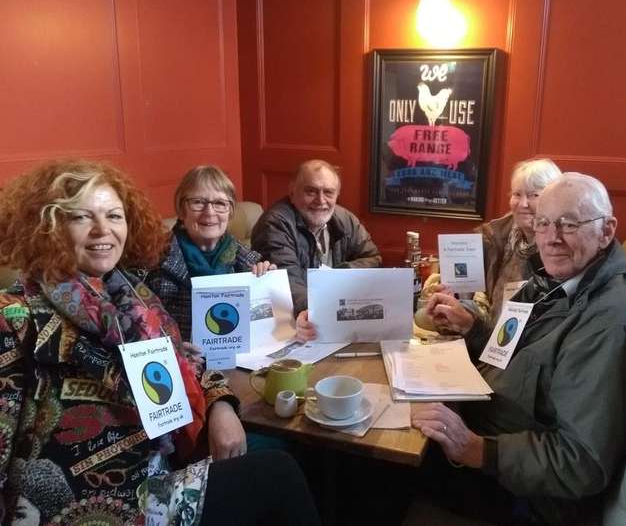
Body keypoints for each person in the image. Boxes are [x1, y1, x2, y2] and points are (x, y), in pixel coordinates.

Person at [0, 160, 319, 525]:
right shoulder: (15, 317)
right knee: (277, 472)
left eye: (114, 216)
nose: (103, 229)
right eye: (81, 217)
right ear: (48, 227)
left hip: (152, 475)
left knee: (283, 466)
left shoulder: (132, 298)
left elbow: (180, 356)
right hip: (83, 504)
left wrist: (220, 406)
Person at [412, 173, 626, 525]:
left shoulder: (609, 321)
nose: (552, 238)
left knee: (370, 467)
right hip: (477, 424)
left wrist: (474, 448)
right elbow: (509, 354)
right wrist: (474, 330)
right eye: (543, 223)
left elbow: (582, 462)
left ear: (607, 230)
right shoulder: (552, 280)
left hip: (519, 494)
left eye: (569, 224)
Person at [146, 165, 274, 344]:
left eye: (220, 203)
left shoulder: (245, 260)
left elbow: (265, 319)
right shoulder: (155, 260)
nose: (209, 212)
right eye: (198, 202)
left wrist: (267, 279)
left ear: (230, 212)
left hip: (238, 359)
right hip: (181, 362)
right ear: (182, 211)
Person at [251, 159, 381, 333]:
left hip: (332, 316)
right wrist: (324, 312)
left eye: (328, 192)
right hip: (293, 325)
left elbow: (373, 259)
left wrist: (334, 277)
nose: (321, 200)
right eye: (311, 191)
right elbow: (289, 285)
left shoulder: (345, 219)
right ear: (292, 192)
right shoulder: (274, 224)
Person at [470, 158, 561, 328]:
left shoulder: (562, 250)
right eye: (517, 194)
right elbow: (469, 293)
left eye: (534, 195)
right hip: (490, 340)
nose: (523, 204)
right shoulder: (494, 238)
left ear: (554, 200)